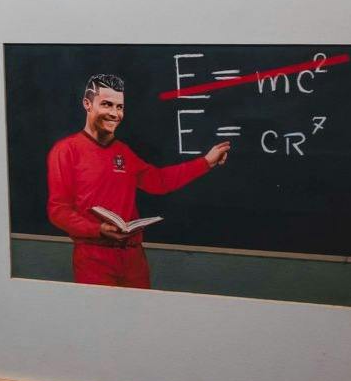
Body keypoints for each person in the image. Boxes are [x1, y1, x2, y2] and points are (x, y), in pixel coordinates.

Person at [46, 73, 229, 288]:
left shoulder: (123, 151)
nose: (115, 113)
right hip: (94, 258)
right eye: (106, 104)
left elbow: (159, 181)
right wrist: (97, 229)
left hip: (134, 260)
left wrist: (206, 162)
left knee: (141, 310)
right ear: (87, 104)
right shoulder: (66, 150)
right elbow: (58, 210)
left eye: (120, 107)